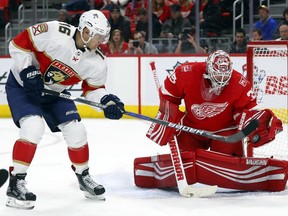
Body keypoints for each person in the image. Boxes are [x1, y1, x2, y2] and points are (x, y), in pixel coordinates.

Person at [5, 10, 125, 209]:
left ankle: (83, 177)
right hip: (23, 86)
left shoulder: (97, 61)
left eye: (104, 37)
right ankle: (16, 183)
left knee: (77, 130)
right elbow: (18, 43)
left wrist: (107, 101)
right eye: (99, 36)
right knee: (33, 127)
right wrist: (27, 69)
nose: (102, 41)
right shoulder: (54, 32)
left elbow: (93, 90)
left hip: (54, 93)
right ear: (85, 31)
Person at [134, 50, 285, 192]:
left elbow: (245, 113)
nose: (220, 83)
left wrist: (257, 127)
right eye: (216, 78)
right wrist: (170, 117)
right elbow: (168, 97)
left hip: (225, 133)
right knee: (186, 159)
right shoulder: (186, 72)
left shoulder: (240, 83)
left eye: (224, 79)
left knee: (231, 162)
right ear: (208, 69)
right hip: (190, 130)